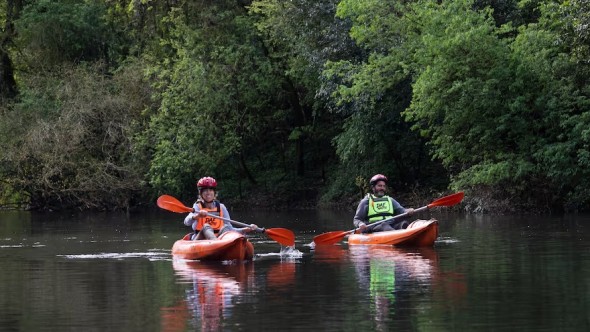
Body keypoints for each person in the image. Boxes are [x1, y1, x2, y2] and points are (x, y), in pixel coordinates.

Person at [184, 176, 258, 240]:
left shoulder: (221, 207)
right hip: (200, 239)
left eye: (210, 190)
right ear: (201, 193)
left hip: (219, 239)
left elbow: (230, 229)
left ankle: (219, 243)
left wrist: (246, 229)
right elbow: (186, 222)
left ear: (214, 192)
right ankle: (215, 242)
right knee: (206, 226)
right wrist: (197, 216)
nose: (208, 193)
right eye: (205, 190)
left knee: (225, 227)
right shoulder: (197, 206)